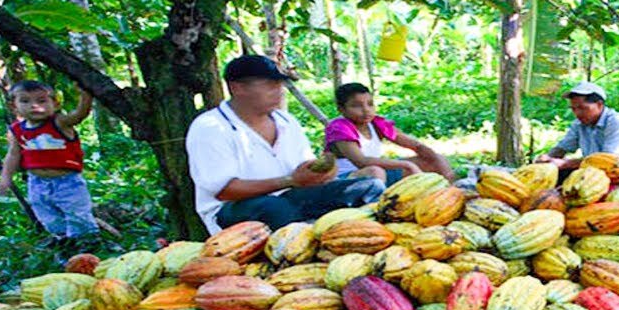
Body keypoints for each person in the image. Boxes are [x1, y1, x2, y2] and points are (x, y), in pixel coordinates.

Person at [185, 56, 384, 235]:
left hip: (291, 197)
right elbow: (225, 191)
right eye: (271, 85)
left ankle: (362, 238)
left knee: (368, 187)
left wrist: (321, 173)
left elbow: (303, 166)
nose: (279, 92)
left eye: (280, 85)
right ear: (237, 88)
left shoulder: (286, 121)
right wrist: (290, 180)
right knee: (275, 208)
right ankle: (305, 247)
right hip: (233, 210)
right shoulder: (211, 128)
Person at [0, 80, 99, 248]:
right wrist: (6, 177)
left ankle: (86, 243)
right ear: (13, 106)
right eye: (25, 101)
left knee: (77, 214)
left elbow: (80, 114)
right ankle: (64, 241)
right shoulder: (17, 130)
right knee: (47, 216)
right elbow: (13, 154)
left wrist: (86, 94)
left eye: (41, 100)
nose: (34, 106)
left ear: (55, 103)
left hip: (67, 182)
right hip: (36, 183)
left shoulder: (59, 123)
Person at [324, 82, 455, 184]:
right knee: (375, 171)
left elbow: (416, 146)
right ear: (341, 109)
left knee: (433, 160)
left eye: (370, 104)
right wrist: (407, 165)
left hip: (379, 176)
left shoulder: (376, 123)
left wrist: (438, 162)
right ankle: (374, 207)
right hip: (347, 180)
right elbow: (362, 162)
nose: (366, 110)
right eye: (357, 106)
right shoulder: (339, 128)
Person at [536, 81, 619, 169]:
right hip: (596, 173)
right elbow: (562, 147)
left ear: (600, 105)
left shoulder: (618, 123)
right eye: (573, 109)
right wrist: (547, 158)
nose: (577, 113)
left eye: (582, 108)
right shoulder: (579, 124)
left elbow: (610, 162)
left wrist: (565, 163)